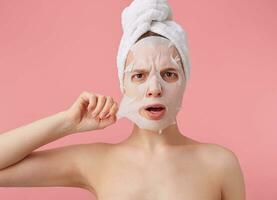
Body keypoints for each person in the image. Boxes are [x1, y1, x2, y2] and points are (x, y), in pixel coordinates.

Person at [0, 1, 246, 200]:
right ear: (123, 85)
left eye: (168, 74)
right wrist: (67, 122)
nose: (154, 88)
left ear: (185, 80)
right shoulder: (96, 161)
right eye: (139, 76)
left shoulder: (220, 164)